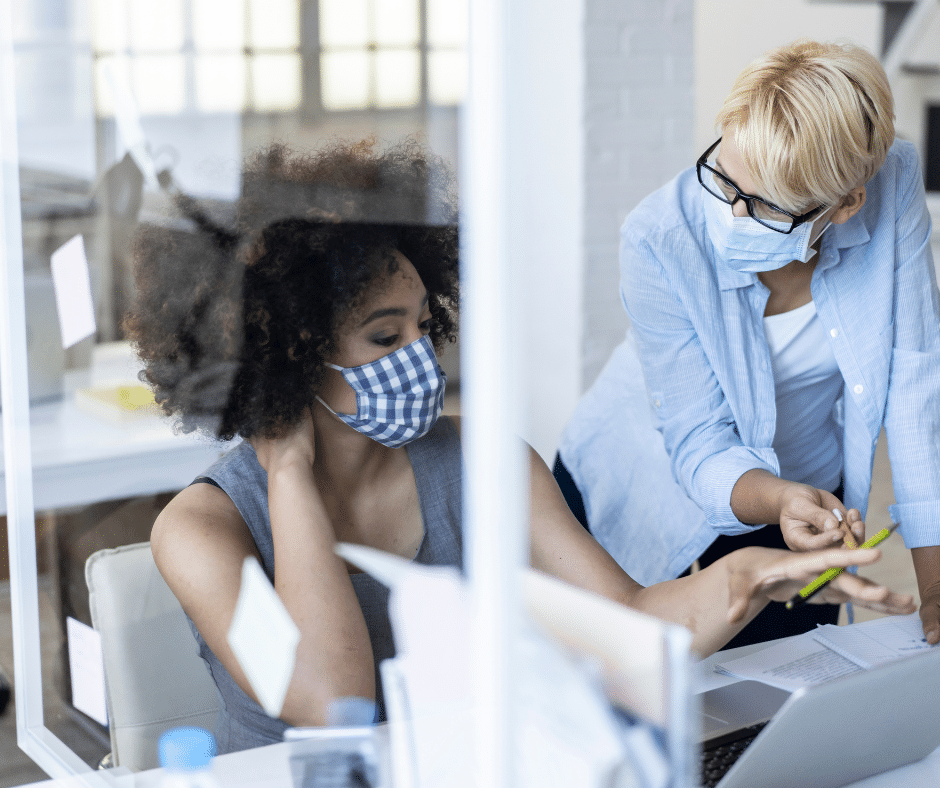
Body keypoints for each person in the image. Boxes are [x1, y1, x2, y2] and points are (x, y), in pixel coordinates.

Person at [127, 138, 915, 754]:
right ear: (291, 355)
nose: (421, 356)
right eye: (383, 335)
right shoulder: (201, 531)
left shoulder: (483, 464)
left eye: (420, 325)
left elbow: (629, 625)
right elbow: (336, 704)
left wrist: (753, 577)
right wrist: (290, 468)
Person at [556, 39, 940, 649]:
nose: (731, 214)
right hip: (655, 488)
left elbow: (916, 387)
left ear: (844, 205)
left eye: (762, 206)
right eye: (724, 178)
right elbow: (698, 439)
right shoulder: (660, 236)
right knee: (643, 684)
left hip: (807, 496)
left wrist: (934, 594)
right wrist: (779, 497)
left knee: (787, 700)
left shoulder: (891, 183)